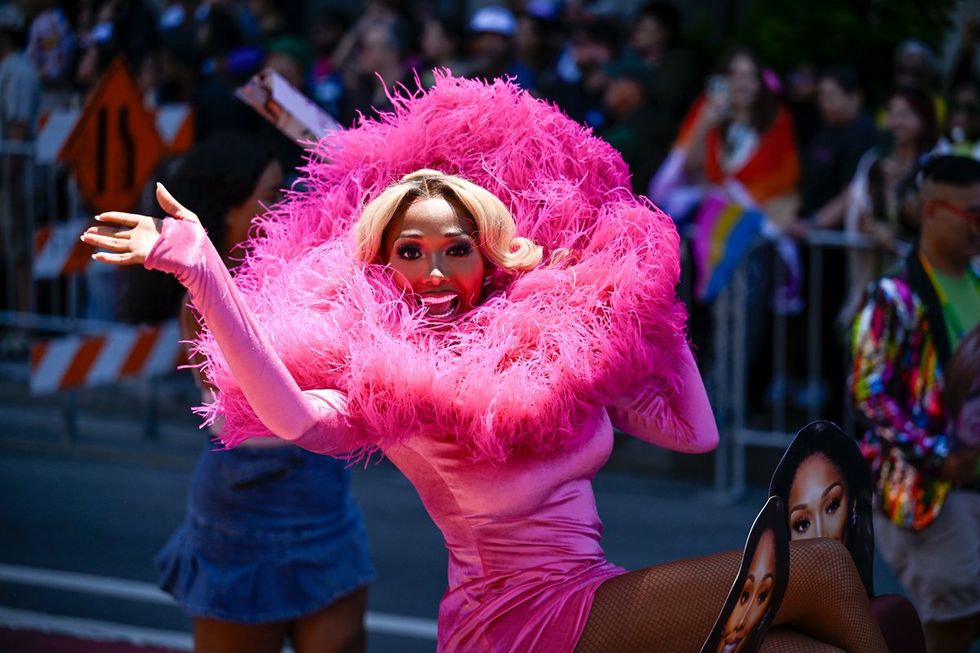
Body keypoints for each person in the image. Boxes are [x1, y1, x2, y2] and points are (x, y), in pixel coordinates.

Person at [83, 75, 888, 653]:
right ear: (383, 265)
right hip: (516, 623)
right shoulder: (392, 375)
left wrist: (644, 280)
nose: (433, 271)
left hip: (593, 592)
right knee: (816, 567)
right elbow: (293, 415)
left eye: (454, 249)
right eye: (410, 252)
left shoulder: (547, 353)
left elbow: (695, 432)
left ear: (490, 254)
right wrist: (202, 271)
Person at [122, 132, 374, 653]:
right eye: (275, 195)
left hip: (323, 496)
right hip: (242, 508)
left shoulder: (305, 271)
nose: (292, 206)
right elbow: (269, 388)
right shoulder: (202, 299)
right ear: (228, 212)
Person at [850, 154, 980, 653]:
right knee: (953, 619)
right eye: (970, 212)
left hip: (965, 485)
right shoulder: (894, 297)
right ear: (930, 211)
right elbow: (869, 393)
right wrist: (937, 454)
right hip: (924, 491)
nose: (977, 225)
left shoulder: (975, 283)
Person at [839, 86, 940, 330]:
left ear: (923, 119)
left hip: (924, 282)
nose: (897, 122)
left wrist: (907, 208)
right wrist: (875, 229)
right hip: (877, 278)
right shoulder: (874, 162)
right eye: (892, 114)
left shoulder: (936, 164)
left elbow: (939, 221)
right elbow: (857, 210)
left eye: (906, 114)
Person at [769, 421, 875, 596]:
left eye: (832, 506)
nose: (821, 535)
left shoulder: (888, 612)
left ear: (853, 503)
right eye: (802, 524)